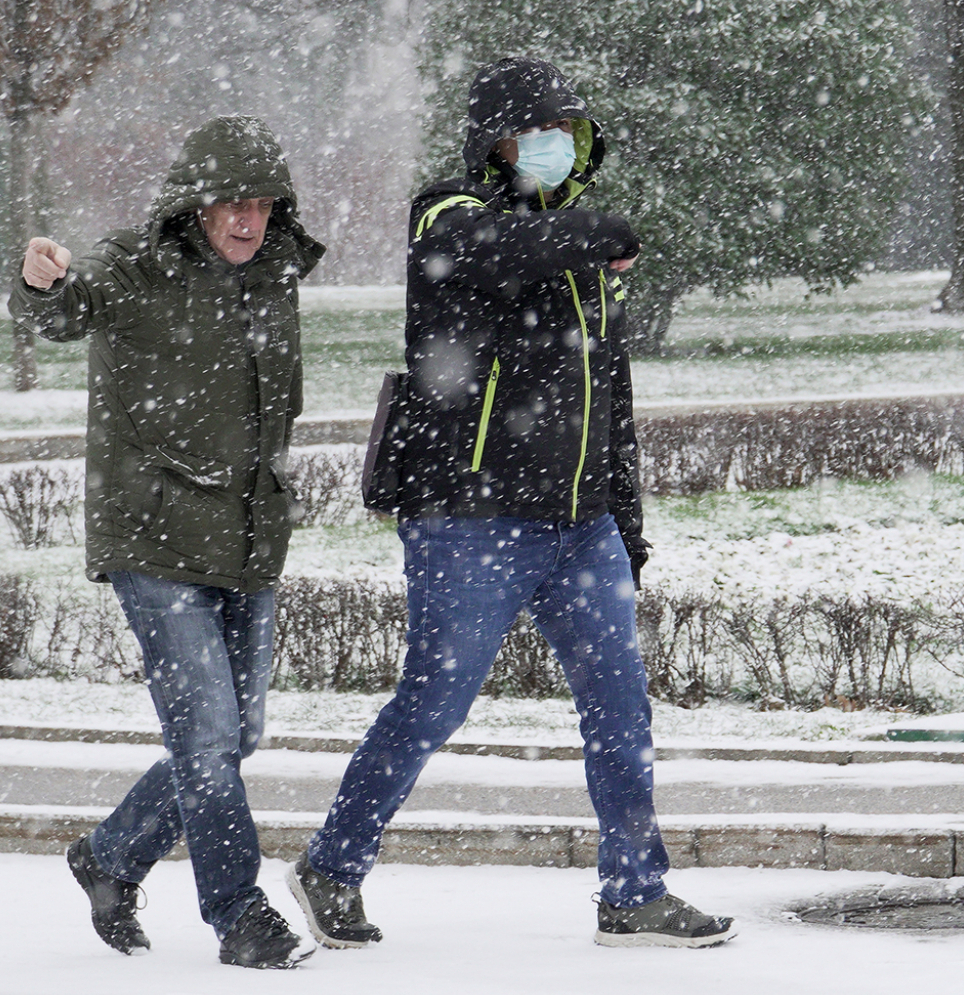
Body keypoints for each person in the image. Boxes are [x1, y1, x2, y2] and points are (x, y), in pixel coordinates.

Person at [288, 57, 733, 950]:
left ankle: (634, 892)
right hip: (471, 520)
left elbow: (613, 398)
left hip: (581, 525)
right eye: (538, 131)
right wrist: (595, 230)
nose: (556, 146)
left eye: (568, 132)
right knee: (435, 701)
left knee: (621, 704)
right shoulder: (449, 214)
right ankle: (332, 865)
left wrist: (625, 521)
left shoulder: (581, 256)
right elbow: (492, 253)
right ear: (494, 142)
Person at [9, 115, 324, 970]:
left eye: (262, 204)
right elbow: (69, 307)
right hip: (152, 534)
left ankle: (110, 855)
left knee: (233, 734)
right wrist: (42, 283)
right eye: (231, 203)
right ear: (195, 205)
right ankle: (238, 911)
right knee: (211, 738)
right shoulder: (137, 268)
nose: (247, 220)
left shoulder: (272, 278)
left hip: (249, 537)